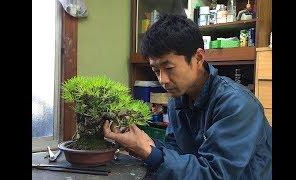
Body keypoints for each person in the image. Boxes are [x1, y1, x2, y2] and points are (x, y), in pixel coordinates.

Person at [104, 14, 272, 179]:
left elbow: (215, 174)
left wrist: (148, 152)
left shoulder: (237, 105)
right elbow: (176, 151)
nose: (163, 80)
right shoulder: (178, 99)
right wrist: (148, 145)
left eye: (169, 68)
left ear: (198, 57)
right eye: (156, 71)